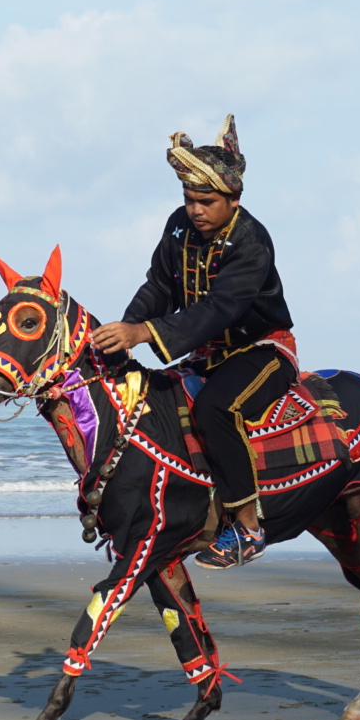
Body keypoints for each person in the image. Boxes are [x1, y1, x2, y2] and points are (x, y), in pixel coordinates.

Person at [91, 115, 296, 568]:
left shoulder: (251, 241)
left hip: (261, 351)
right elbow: (159, 287)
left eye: (206, 201)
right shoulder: (178, 227)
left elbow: (219, 310)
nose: (196, 209)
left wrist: (144, 333)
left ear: (233, 199)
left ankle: (247, 527)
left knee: (214, 409)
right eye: (189, 199)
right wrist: (125, 331)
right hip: (207, 356)